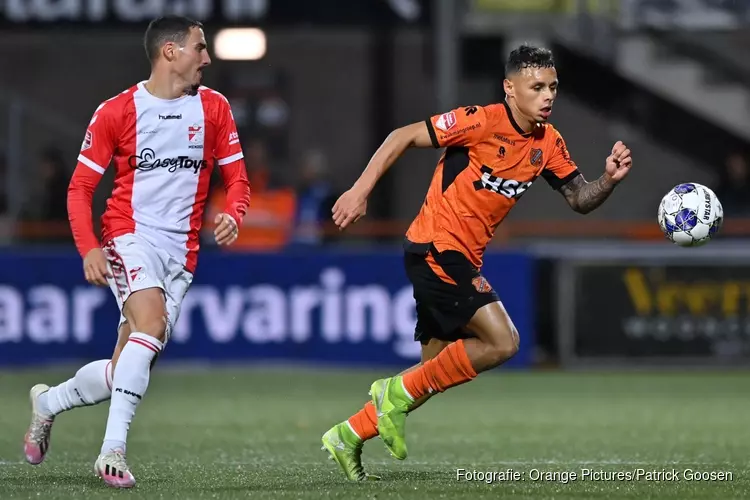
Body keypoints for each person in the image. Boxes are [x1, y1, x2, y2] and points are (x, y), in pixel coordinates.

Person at [320, 44, 633, 480]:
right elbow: (402, 136)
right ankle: (388, 391)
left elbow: (579, 197)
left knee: (428, 376)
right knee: (503, 342)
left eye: (553, 87)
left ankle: (348, 434)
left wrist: (608, 180)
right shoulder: (481, 121)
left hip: (457, 256)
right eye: (536, 86)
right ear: (510, 89)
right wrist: (360, 190)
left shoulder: (548, 142)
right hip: (436, 248)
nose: (547, 95)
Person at [23, 15, 251, 489]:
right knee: (151, 325)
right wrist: (89, 248)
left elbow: (237, 179)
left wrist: (235, 212)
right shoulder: (118, 111)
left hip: (182, 253)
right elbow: (80, 188)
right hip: (129, 235)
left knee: (127, 363)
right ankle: (113, 453)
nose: (207, 58)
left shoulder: (215, 109)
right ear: (170, 52)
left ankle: (48, 404)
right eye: (199, 48)